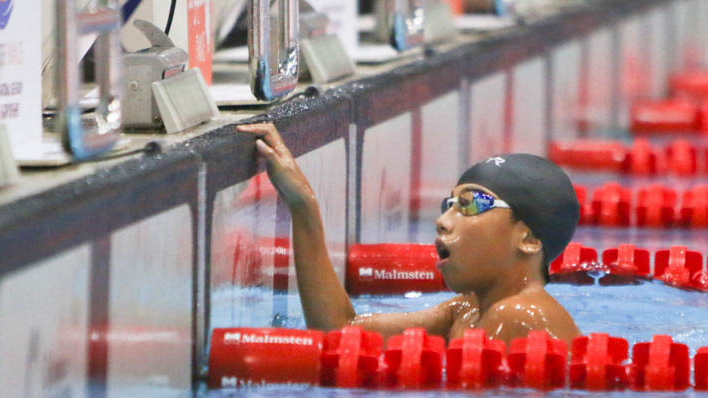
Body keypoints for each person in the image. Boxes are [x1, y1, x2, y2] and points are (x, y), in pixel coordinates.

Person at [237, 122, 581, 347]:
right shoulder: (467, 310)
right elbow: (341, 332)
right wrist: (303, 204)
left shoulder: (518, 315)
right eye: (449, 204)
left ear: (529, 239)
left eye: (471, 204)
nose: (444, 221)